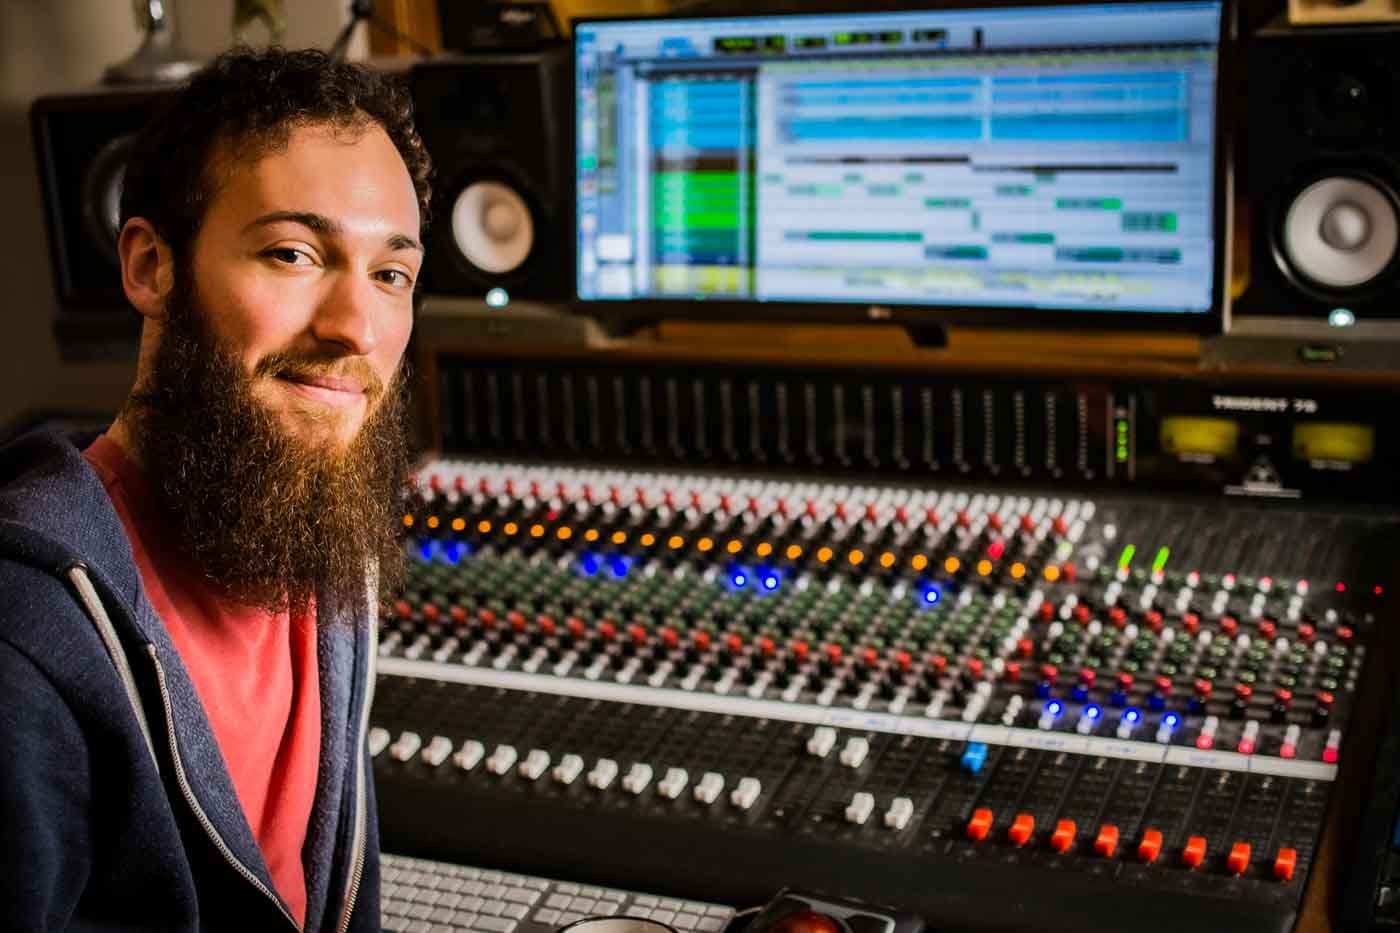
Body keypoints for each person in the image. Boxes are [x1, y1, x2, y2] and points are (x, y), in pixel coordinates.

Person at [0, 46, 430, 931]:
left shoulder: (327, 559)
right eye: (293, 253)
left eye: (390, 274)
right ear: (150, 266)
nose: (356, 327)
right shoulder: (23, 635)